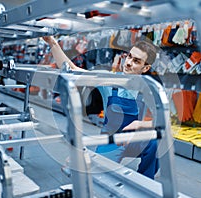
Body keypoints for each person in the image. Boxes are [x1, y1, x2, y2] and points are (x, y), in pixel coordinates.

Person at [43, 35, 160, 179]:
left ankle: (146, 183)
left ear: (146, 67)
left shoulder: (148, 88)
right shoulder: (109, 80)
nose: (128, 63)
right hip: (111, 141)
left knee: (156, 142)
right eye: (129, 57)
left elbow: (164, 121)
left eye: (136, 61)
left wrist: (140, 124)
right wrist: (52, 43)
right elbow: (72, 69)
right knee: (98, 178)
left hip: (133, 139)